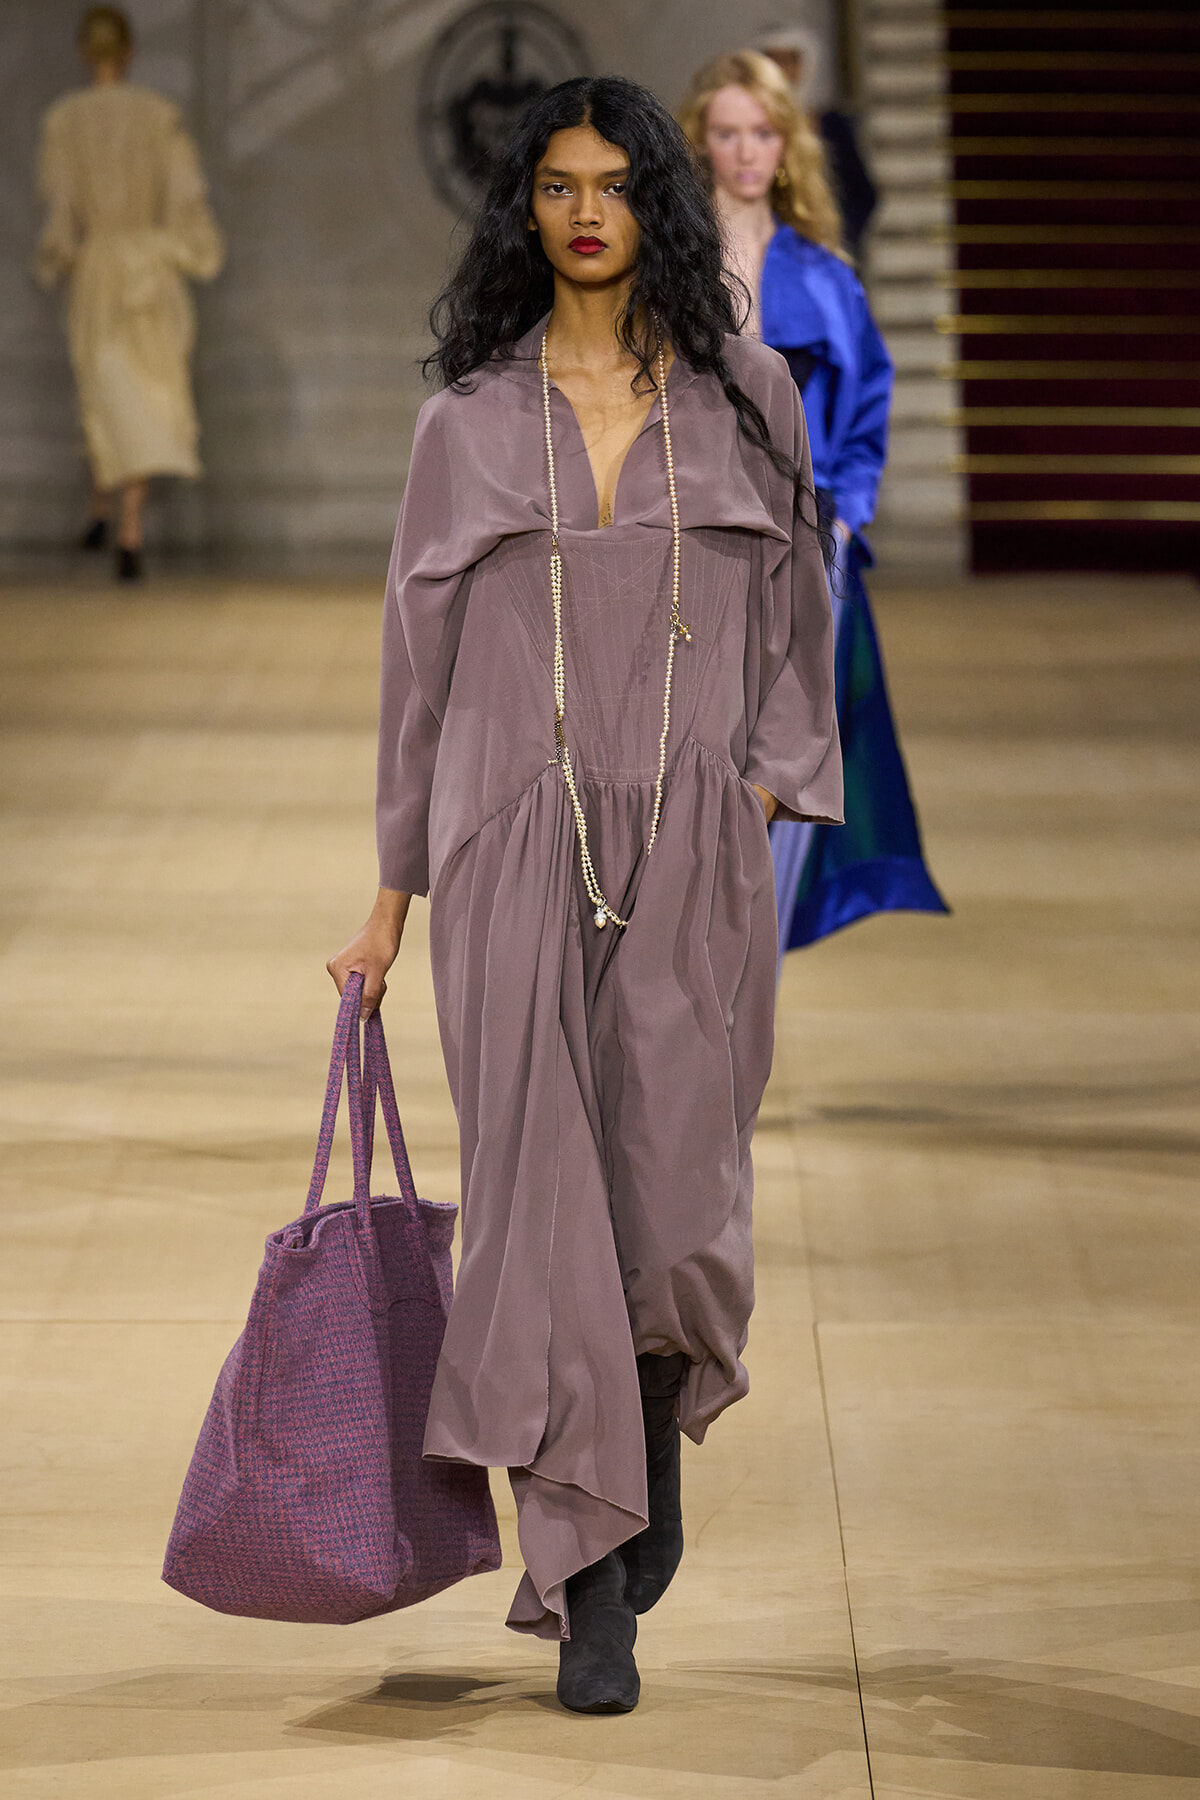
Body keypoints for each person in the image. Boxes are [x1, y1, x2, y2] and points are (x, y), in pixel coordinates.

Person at [327, 75, 841, 1714]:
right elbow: (415, 673)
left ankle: (647, 1484)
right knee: (547, 1207)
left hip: (691, 847)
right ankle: (588, 1573)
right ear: (526, 211)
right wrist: (395, 893)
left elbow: (802, 615)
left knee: (677, 1199)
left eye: (615, 182)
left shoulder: (750, 396)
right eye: (557, 184)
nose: (586, 208)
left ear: (659, 205)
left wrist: (761, 790)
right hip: (507, 842)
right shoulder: (467, 422)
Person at [680, 50, 947, 953]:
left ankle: (747, 973)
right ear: (700, 142)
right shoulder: (664, 273)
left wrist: (845, 517)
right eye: (727, 133)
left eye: (762, 132)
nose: (746, 151)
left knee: (793, 764)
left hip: (808, 543)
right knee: (690, 756)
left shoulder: (826, 277)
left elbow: (868, 405)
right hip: (688, 540)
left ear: (788, 145)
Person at [33, 6, 224, 580]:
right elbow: (186, 197)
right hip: (149, 265)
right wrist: (187, 249)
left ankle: (109, 511)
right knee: (139, 389)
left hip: (98, 267)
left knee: (107, 388)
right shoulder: (158, 116)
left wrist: (57, 257)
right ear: (131, 50)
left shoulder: (65, 121)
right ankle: (128, 528)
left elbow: (62, 209)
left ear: (83, 52)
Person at [752, 21, 877, 262]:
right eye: (773, 60)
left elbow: (863, 195)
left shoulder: (831, 126)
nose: (782, 69)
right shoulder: (746, 127)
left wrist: (835, 240)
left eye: (790, 60)